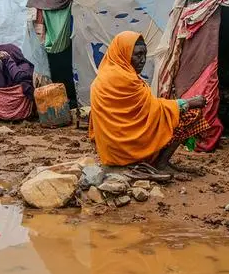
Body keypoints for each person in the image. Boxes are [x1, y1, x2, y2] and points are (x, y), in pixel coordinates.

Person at [89, 31, 209, 174]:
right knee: (189, 113)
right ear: (124, 53)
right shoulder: (126, 79)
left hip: (111, 152)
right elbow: (153, 109)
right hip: (127, 148)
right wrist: (187, 103)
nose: (143, 60)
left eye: (144, 54)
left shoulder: (102, 78)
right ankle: (161, 164)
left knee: (167, 114)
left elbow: (147, 108)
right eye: (138, 55)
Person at [0, 44, 35, 121]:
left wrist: (9, 60)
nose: (2, 57)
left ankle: (20, 116)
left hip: (16, 97)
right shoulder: (2, 65)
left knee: (23, 88)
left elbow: (18, 77)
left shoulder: (24, 65)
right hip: (4, 94)